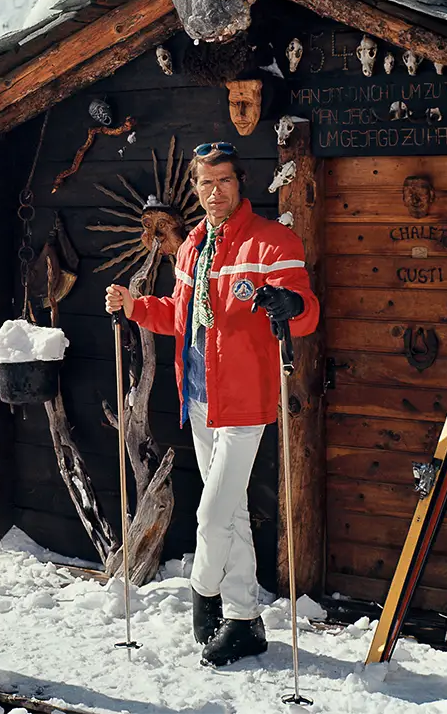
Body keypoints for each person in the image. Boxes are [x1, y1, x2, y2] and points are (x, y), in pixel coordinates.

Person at [105, 141, 318, 666]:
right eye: (205, 182)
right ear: (196, 188)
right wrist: (135, 307)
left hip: (245, 402)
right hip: (198, 396)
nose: (214, 191)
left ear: (238, 182)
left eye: (223, 180)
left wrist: (286, 304)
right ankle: (245, 620)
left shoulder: (272, 242)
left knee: (211, 512)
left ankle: (204, 591)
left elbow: (306, 311)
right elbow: (180, 316)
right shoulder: (191, 248)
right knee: (234, 514)